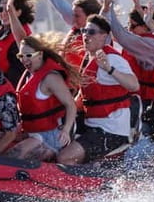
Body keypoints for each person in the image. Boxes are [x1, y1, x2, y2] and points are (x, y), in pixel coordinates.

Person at [58, 15, 139, 164]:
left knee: (64, 157)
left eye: (91, 32)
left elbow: (134, 85)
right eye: (84, 31)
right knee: (55, 140)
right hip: (92, 124)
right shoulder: (89, 58)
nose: (85, 36)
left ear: (104, 36)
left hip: (110, 130)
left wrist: (109, 69)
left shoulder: (113, 60)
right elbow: (84, 98)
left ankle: (81, 185)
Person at [6, 0, 79, 161]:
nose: (24, 60)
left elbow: (70, 104)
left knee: (14, 156)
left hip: (51, 136)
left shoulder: (50, 77)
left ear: (40, 54)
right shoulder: (31, 70)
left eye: (28, 56)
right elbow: (21, 39)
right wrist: (11, 13)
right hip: (32, 132)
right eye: (21, 56)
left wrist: (66, 130)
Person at [29, 0, 102, 68]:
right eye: (73, 14)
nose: (73, 18)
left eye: (77, 16)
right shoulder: (75, 24)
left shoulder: (99, 34)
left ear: (90, 17)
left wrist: (104, 6)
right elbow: (58, 2)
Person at [100, 0, 154, 109]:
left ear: (146, 26)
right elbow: (109, 31)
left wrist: (108, 5)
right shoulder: (139, 41)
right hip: (132, 98)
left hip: (142, 103)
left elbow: (121, 35)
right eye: (128, 26)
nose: (130, 30)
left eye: (133, 26)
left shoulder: (150, 44)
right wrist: (104, 7)